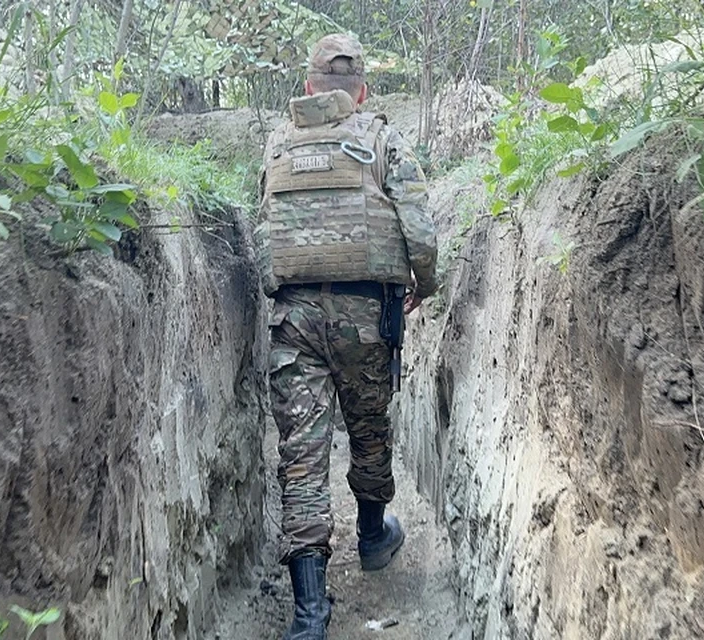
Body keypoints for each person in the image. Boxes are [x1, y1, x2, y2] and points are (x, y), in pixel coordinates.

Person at [254, 33, 440, 640]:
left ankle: (310, 614)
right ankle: (371, 536)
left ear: (309, 88)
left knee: (302, 459)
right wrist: (425, 284)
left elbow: (264, 233)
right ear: (361, 93)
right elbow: (419, 229)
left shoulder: (278, 144)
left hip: (295, 321)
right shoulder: (383, 140)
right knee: (368, 430)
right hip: (365, 315)